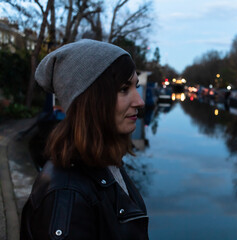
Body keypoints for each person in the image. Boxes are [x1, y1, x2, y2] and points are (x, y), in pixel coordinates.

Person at [20, 39, 148, 239]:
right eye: (124, 89)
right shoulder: (67, 195)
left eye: (135, 87)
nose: (139, 101)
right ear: (91, 101)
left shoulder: (105, 162)